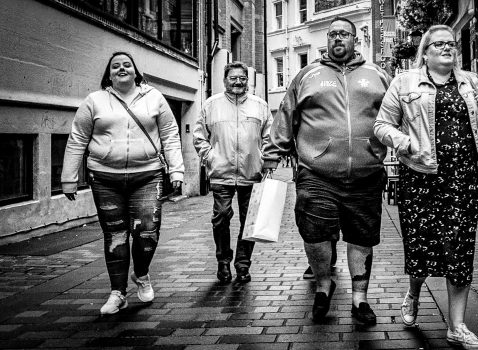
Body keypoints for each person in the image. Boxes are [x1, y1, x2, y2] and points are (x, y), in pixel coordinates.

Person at [374, 25, 478, 350]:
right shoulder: (405, 82)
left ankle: (457, 326)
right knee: (423, 249)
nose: (447, 48)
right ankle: (414, 293)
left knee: (460, 248)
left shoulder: (469, 81)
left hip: (463, 180)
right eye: (439, 44)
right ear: (425, 51)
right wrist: (405, 143)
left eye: (451, 44)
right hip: (421, 179)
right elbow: (381, 124)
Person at [263, 16, 391, 325]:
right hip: (316, 173)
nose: (337, 39)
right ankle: (323, 285)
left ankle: (360, 300)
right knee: (316, 232)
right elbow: (286, 116)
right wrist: (270, 157)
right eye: (333, 34)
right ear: (327, 40)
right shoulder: (308, 75)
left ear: (354, 40)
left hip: (366, 173)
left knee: (362, 237)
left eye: (344, 34)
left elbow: (397, 116)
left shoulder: (377, 75)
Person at [61, 51, 184, 315]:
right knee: (115, 235)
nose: (121, 69)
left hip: (147, 175)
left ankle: (141, 273)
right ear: (108, 74)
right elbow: (77, 139)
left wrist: (177, 170)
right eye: (115, 66)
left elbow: (170, 135)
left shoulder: (154, 98)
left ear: (136, 71)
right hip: (105, 178)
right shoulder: (95, 100)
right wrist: (68, 178)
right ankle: (118, 293)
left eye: (127, 64)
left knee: (147, 232)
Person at [193, 61, 273, 284]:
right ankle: (223, 262)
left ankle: (243, 265)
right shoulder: (211, 105)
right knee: (220, 218)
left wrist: (264, 160)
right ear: (224, 80)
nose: (238, 82)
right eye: (233, 78)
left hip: (252, 174)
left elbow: (269, 137)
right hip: (221, 173)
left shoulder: (260, 105)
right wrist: (210, 157)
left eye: (242, 78)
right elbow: (199, 136)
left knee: (251, 223)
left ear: (248, 80)